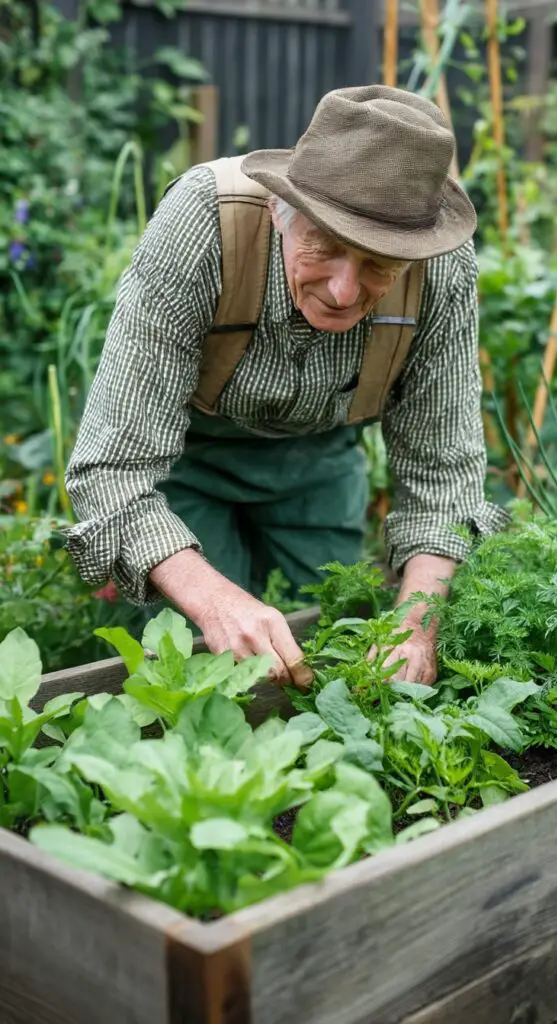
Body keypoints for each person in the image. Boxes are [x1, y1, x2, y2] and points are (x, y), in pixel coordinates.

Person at [65, 85, 507, 690]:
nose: (345, 291)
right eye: (324, 247)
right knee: (197, 666)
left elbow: (444, 479)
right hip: (179, 469)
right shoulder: (204, 225)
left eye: (380, 264)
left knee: (321, 650)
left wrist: (414, 624)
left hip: (317, 467)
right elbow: (113, 468)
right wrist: (216, 601)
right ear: (280, 209)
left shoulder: (441, 267)